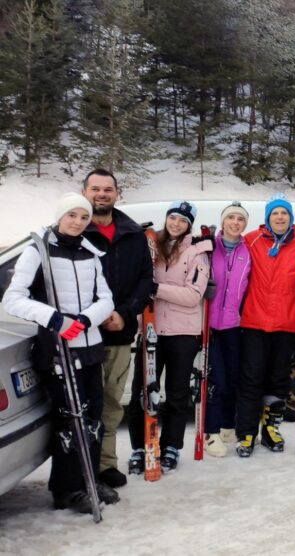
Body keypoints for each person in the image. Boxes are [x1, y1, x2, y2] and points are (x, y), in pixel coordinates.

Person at [3, 193, 118, 512]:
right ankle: (67, 489)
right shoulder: (37, 251)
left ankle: (90, 479)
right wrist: (56, 320)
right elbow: (13, 299)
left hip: (90, 346)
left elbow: (106, 298)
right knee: (71, 419)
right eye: (72, 216)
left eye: (84, 217)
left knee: (93, 416)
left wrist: (85, 320)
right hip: (58, 349)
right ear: (60, 216)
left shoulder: (90, 252)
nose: (78, 222)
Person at [79, 169, 153, 488]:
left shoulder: (133, 233)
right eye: (95, 188)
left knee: (110, 401)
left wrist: (124, 313)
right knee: (82, 402)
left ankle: (106, 463)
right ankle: (79, 466)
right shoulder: (73, 229)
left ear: (117, 194)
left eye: (108, 189)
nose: (101, 194)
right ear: (84, 192)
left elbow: (145, 280)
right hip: (81, 335)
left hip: (120, 333)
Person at [127, 201, 212, 473]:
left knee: (176, 393)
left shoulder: (198, 252)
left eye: (183, 220)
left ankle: (171, 445)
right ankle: (140, 447)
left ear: (189, 225)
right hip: (151, 330)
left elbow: (192, 296)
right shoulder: (151, 246)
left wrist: (156, 288)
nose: (176, 223)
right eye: (173, 218)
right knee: (142, 392)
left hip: (183, 333)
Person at [236, 194, 295, 457]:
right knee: (251, 377)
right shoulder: (252, 240)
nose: (280, 217)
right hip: (255, 320)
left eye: (285, 214)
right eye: (276, 213)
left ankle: (271, 429)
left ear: (291, 218)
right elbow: (231, 258)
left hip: (287, 322)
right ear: (268, 217)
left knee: (279, 378)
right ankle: (246, 433)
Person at [204, 202, 251, 457]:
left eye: (240, 219)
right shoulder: (209, 247)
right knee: (216, 381)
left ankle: (226, 426)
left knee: (233, 378)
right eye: (231, 218)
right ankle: (210, 433)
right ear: (223, 222)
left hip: (235, 325)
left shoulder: (248, 251)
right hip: (209, 325)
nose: (235, 222)